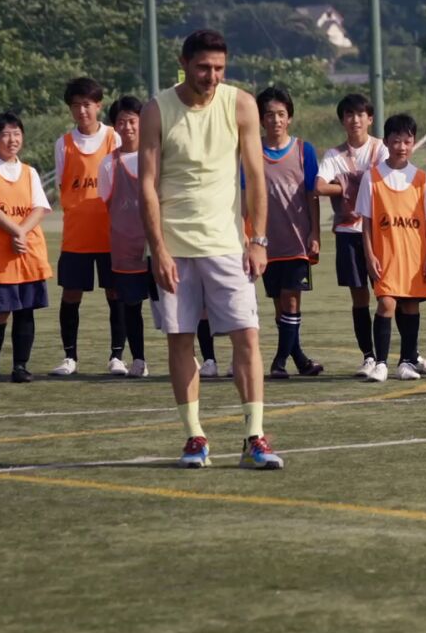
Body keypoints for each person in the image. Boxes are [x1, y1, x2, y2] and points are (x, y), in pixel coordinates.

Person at [139, 29, 278, 469]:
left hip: (227, 245)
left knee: (247, 338)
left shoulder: (240, 104)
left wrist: (257, 239)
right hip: (174, 245)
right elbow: (146, 184)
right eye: (203, 67)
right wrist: (157, 249)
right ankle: (194, 437)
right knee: (180, 341)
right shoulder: (156, 109)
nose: (211, 76)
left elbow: (256, 176)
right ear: (183, 62)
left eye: (219, 68)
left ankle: (254, 438)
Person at [355, 114, 426, 382]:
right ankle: (381, 363)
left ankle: (406, 362)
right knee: (386, 304)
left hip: (415, 257)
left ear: (413, 142)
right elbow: (366, 224)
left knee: (411, 306)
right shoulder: (373, 177)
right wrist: (369, 256)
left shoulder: (422, 179)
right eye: (396, 141)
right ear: (387, 142)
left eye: (407, 141)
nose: (402, 146)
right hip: (386, 257)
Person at [50, 77, 124, 377]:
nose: (82, 111)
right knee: (71, 295)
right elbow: (60, 184)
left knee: (115, 293)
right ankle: (70, 357)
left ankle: (117, 356)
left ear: (99, 106)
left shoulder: (114, 138)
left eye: (88, 104)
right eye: (76, 105)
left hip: (110, 233)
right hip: (77, 233)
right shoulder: (63, 143)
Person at [0, 113, 51, 384]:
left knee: (25, 310)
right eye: (5, 134)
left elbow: (40, 208)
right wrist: (17, 231)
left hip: (28, 251)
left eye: (16, 133)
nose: (12, 139)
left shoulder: (29, 172)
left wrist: (23, 232)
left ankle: (20, 366)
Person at [252, 86, 323, 379]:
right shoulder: (252, 151)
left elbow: (312, 195)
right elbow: (247, 195)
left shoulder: (304, 150)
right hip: (266, 243)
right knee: (280, 306)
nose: (276, 120)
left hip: (297, 240)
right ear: (261, 119)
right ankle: (301, 360)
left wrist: (315, 233)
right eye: (269, 115)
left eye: (281, 114)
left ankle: (279, 362)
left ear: (290, 118)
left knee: (292, 301)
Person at [317, 93, 386, 377]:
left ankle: (406, 355)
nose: (355, 120)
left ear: (370, 118)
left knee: (389, 295)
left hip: (381, 232)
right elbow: (319, 187)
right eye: (349, 115)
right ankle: (369, 356)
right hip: (348, 232)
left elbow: (384, 182)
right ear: (342, 120)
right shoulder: (333, 155)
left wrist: (344, 181)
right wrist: (352, 184)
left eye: (360, 114)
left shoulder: (380, 149)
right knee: (360, 299)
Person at [96, 96, 151, 377]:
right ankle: (138, 359)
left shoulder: (157, 156)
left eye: (132, 120)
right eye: (121, 121)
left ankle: (188, 356)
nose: (127, 126)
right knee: (131, 305)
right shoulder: (108, 164)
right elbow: (108, 202)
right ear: (114, 126)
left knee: (172, 305)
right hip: (124, 247)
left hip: (158, 247)